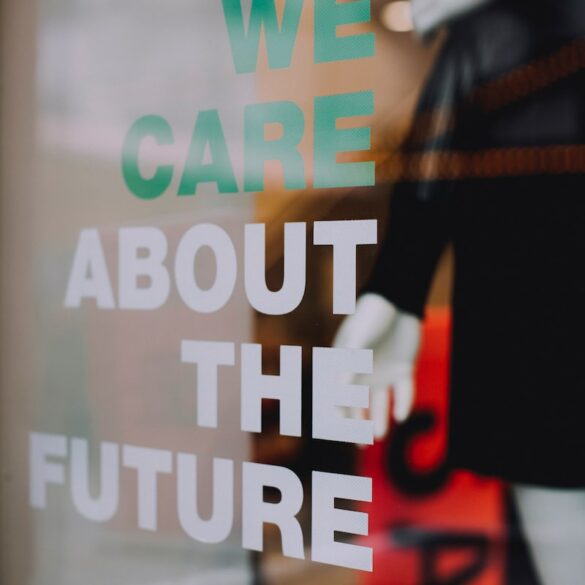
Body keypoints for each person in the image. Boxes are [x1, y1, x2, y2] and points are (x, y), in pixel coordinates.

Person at [335, 1, 585, 583]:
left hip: (536, 361)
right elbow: (435, 164)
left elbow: (435, 160)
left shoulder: (489, 38)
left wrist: (397, 288)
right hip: (540, 362)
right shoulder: (492, 36)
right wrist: (397, 287)